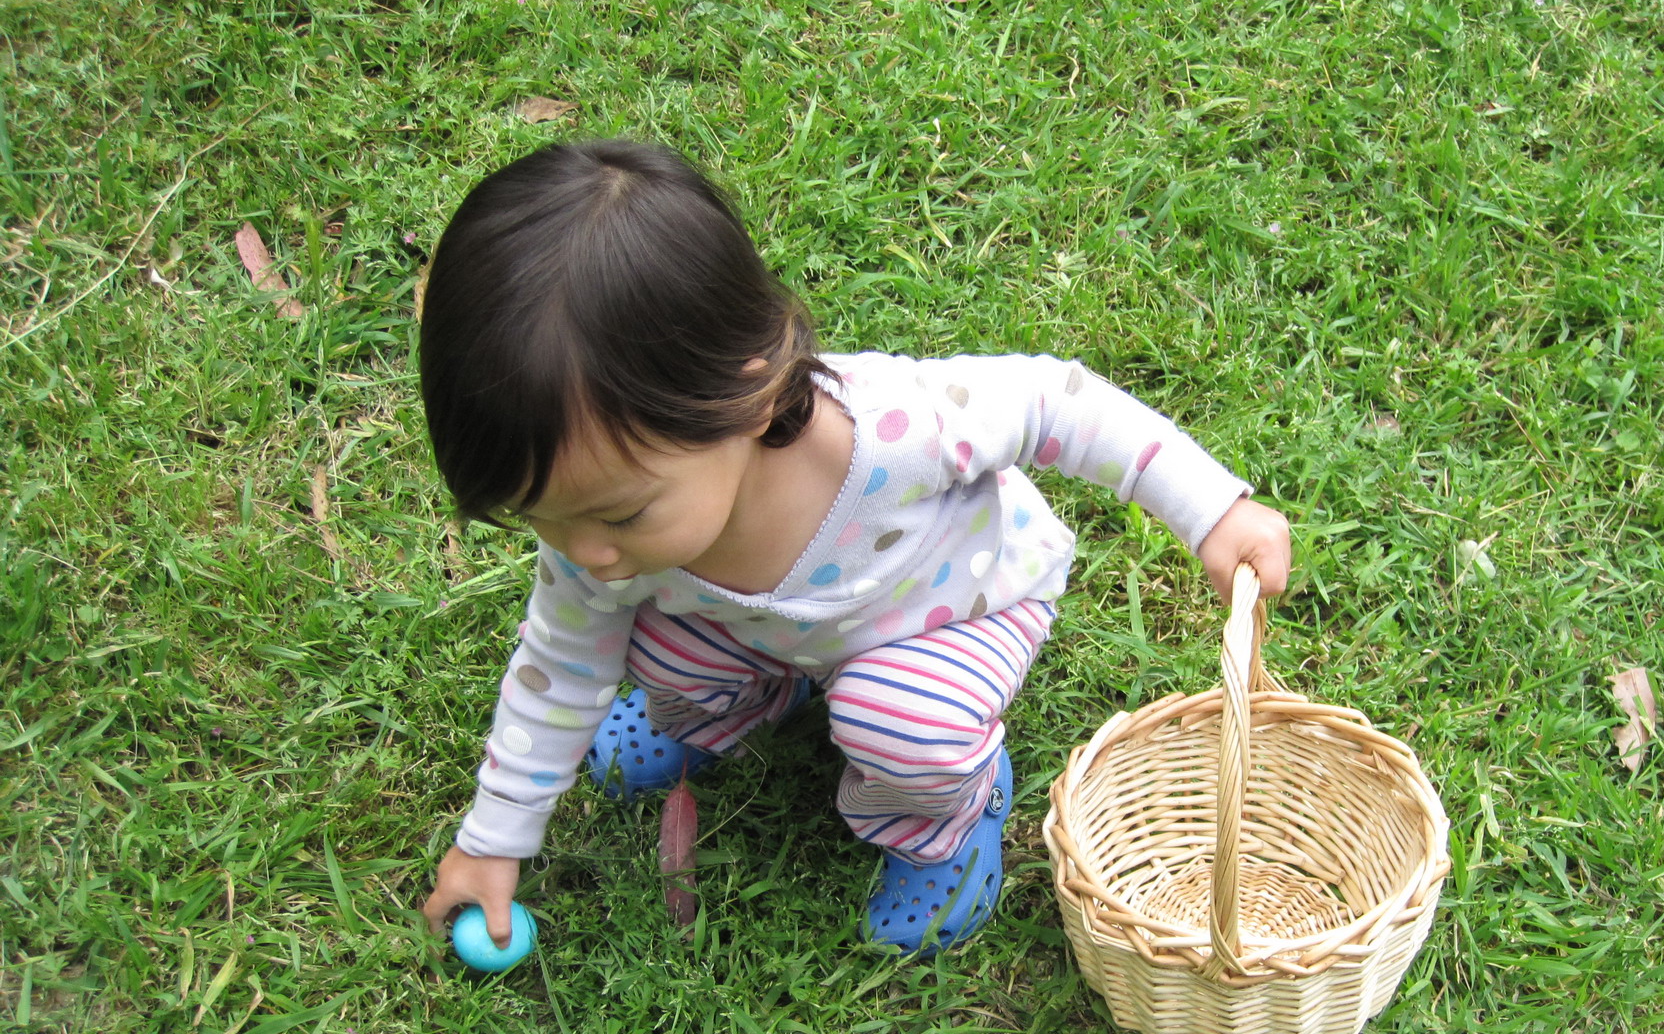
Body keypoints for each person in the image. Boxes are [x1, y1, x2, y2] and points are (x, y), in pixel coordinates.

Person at [416, 141, 1291, 957]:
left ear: (750, 396)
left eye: (621, 515)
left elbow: (1057, 403)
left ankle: (950, 816)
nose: (584, 553)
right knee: (634, 640)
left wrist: (1211, 511)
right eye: (540, 519)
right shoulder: (599, 533)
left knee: (901, 723)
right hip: (764, 626)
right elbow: (558, 665)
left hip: (954, 606)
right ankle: (733, 711)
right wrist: (494, 840)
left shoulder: (900, 432)